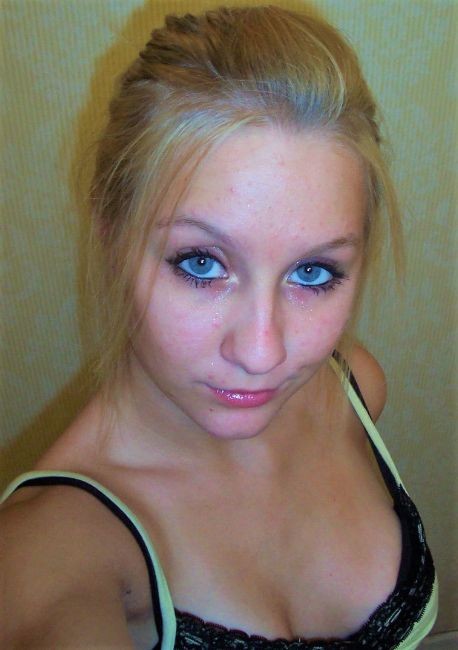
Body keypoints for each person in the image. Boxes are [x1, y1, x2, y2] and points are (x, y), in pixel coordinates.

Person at [0, 5, 438, 649]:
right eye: (201, 263)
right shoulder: (49, 550)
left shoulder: (354, 389)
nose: (262, 353)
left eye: (312, 272)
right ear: (111, 232)